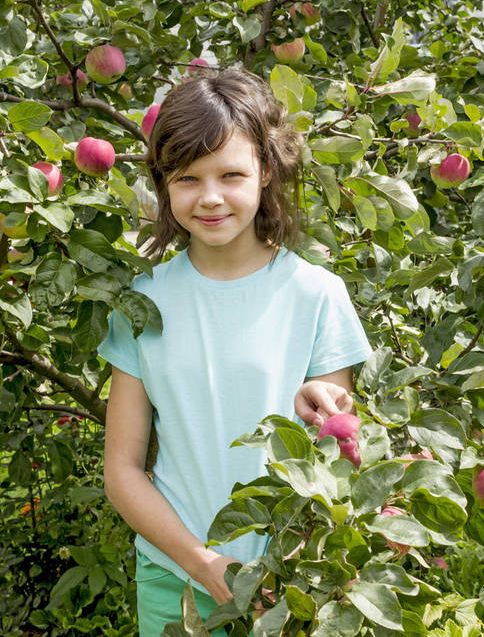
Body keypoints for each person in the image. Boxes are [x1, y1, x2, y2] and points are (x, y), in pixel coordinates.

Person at [98, 68, 372, 636]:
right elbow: (123, 469)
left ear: (265, 171)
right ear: (164, 183)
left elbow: (339, 456)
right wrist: (202, 562)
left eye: (231, 174)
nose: (211, 197)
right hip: (175, 576)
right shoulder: (143, 304)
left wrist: (322, 405)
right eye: (188, 178)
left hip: (293, 579)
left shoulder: (316, 295)